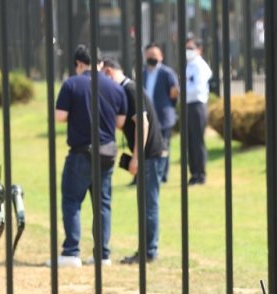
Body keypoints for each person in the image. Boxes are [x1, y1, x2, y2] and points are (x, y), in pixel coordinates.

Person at [48, 45, 127, 268]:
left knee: (72, 200)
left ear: (78, 64)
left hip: (82, 151)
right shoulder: (115, 88)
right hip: (108, 153)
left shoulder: (72, 83)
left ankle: (71, 252)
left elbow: (60, 116)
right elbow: (120, 123)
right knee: (102, 204)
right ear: (101, 63)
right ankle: (102, 254)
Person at [102, 57, 165, 264]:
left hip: (150, 155)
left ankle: (148, 251)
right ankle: (146, 249)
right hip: (148, 155)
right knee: (146, 204)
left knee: (149, 205)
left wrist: (137, 157)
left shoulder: (129, 89)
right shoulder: (126, 90)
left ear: (109, 72)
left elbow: (143, 123)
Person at [141, 43, 179, 185]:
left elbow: (174, 93)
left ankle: (162, 175)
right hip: (147, 116)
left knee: (163, 146)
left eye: (155, 56)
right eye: (149, 56)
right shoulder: (143, 73)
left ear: (161, 57)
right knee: (144, 146)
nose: (152, 58)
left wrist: (169, 107)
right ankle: (144, 175)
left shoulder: (167, 73)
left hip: (163, 116)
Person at [185, 37, 212, 186]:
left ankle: (200, 174)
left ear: (199, 50)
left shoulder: (200, 66)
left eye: (191, 48)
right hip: (189, 105)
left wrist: (182, 91)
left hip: (197, 105)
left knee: (197, 141)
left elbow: (198, 88)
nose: (188, 51)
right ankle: (193, 173)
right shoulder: (189, 65)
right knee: (190, 141)